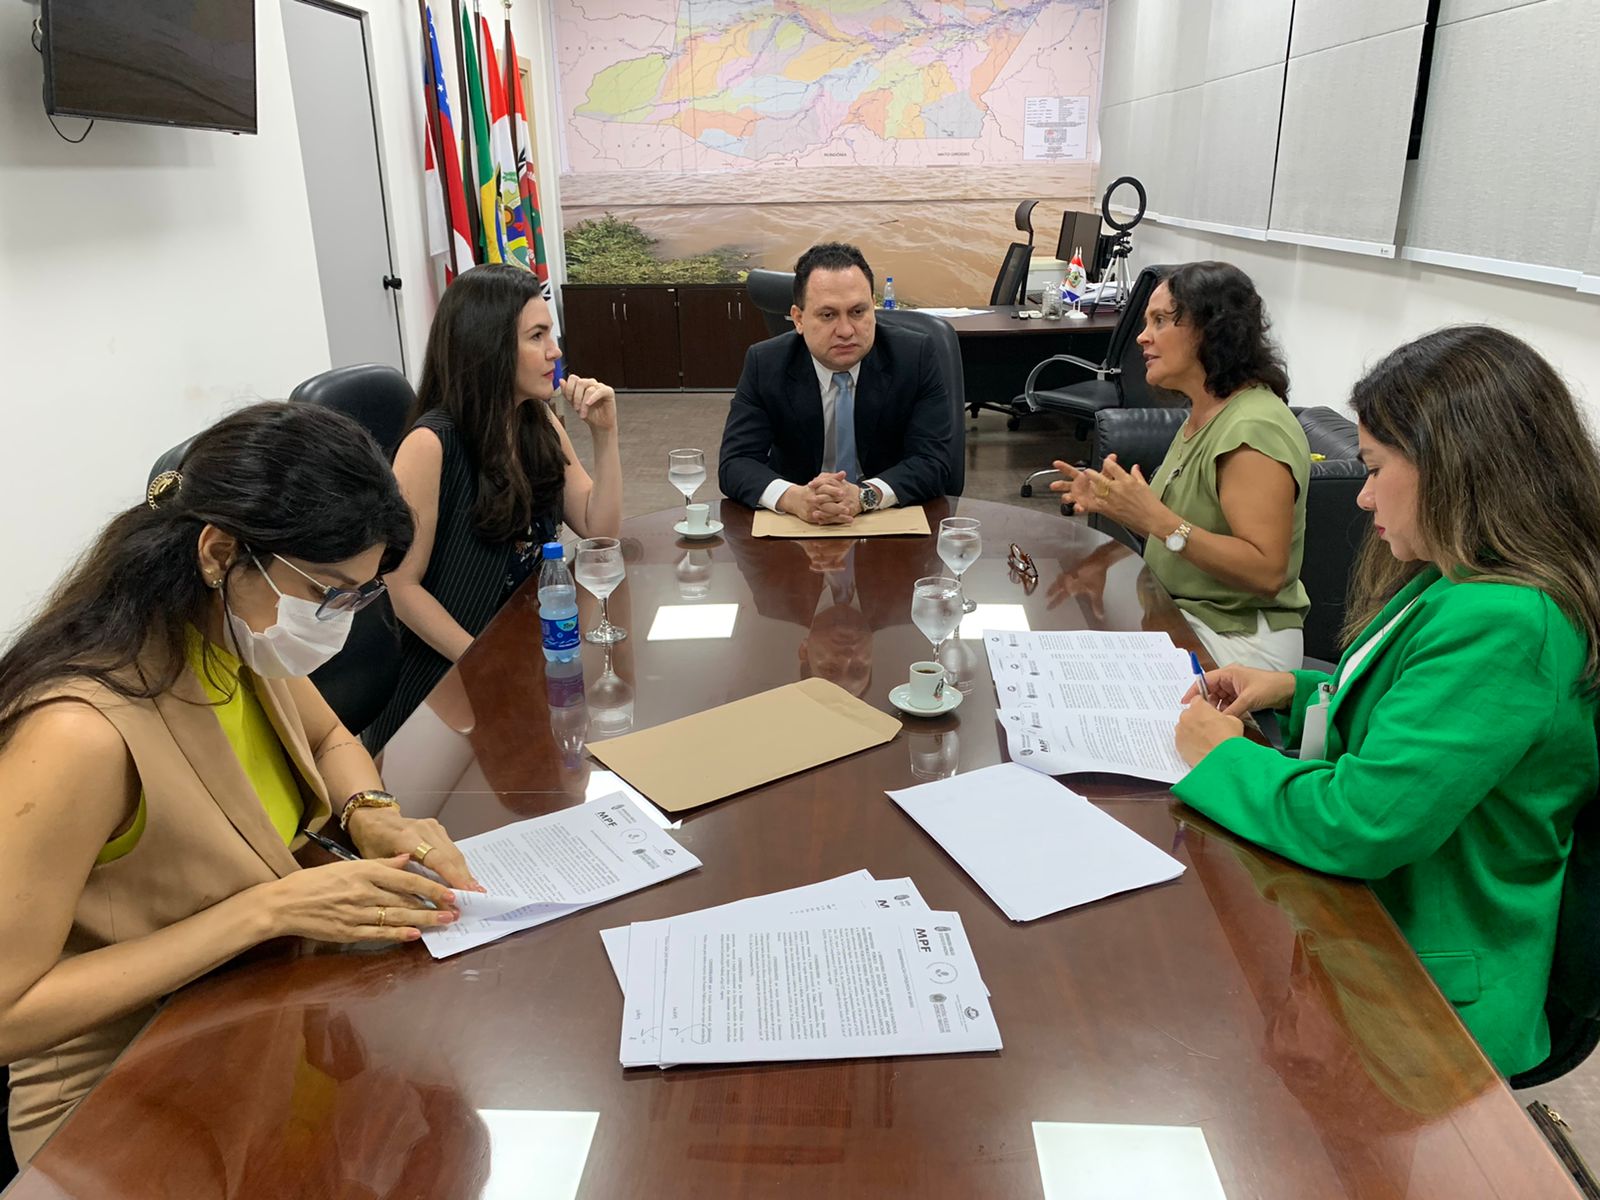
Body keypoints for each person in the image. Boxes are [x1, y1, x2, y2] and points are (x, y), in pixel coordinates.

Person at [0, 403, 480, 1164]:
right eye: (326, 592)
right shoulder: (78, 733)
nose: (337, 621)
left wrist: (372, 812)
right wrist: (266, 909)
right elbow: (9, 1012)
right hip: (126, 1101)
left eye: (358, 596)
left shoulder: (233, 635)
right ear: (220, 552)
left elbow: (328, 737)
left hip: (263, 1024)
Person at [1171, 326, 1600, 1078]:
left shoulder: (1507, 621)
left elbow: (1364, 819)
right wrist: (1298, 689)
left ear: (1456, 467)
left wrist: (1223, 757)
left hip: (1428, 1005)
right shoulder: (1465, 574)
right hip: (1381, 942)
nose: (1363, 495)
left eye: (1373, 469)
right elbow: (1423, 716)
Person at [370, 264, 622, 748]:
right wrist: (484, 658)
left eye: (550, 333)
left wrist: (605, 435)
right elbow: (399, 586)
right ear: (490, 347)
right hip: (449, 676)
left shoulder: (537, 421)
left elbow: (599, 530)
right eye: (537, 336)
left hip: (526, 648)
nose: (555, 351)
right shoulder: (431, 443)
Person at [1053, 261, 1310, 671]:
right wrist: (1122, 507)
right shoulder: (1206, 413)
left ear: (1211, 329)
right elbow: (1186, 534)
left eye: (1160, 321)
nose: (1142, 337)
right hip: (1185, 617)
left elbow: (1265, 571)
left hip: (1237, 644)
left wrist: (1156, 519)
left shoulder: (1253, 427)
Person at [718, 242, 951, 524]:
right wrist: (794, 498)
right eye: (828, 315)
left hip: (886, 515)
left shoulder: (914, 357)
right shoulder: (766, 363)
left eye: (858, 312)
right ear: (798, 319)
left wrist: (865, 496)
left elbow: (934, 462)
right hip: (799, 520)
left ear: (873, 308)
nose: (846, 330)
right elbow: (736, 463)